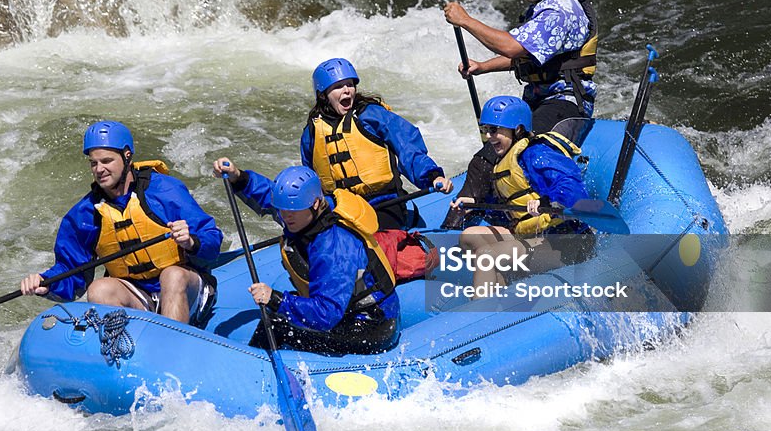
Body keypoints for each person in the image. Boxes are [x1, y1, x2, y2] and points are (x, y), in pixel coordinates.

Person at [20, 120, 223, 325]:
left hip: (188, 289)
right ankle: (126, 349)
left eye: (107, 161)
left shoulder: (165, 190)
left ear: (127, 157)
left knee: (172, 275)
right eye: (94, 163)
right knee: (99, 289)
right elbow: (71, 269)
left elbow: (212, 239)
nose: (99, 169)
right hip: (138, 296)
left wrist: (191, 242)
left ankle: (172, 348)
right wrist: (47, 283)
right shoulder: (85, 213)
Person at [213, 159, 400, 355]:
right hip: (345, 310)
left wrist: (276, 299)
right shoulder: (302, 211)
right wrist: (238, 177)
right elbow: (269, 196)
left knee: (277, 325)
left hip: (370, 325)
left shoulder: (334, 248)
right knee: (280, 312)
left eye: (292, 211)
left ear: (316, 204)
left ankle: (248, 375)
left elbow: (327, 313)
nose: (285, 217)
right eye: (283, 210)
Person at [301, 57, 451, 280]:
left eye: (350, 85)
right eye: (338, 87)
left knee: (377, 250)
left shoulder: (370, 115)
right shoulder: (312, 132)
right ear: (323, 94)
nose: (346, 91)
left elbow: (407, 145)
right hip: (343, 209)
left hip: (385, 202)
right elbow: (310, 178)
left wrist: (432, 176)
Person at [443, 0, 599, 135]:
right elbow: (525, 54)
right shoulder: (541, 8)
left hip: (565, 102)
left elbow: (512, 47)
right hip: (539, 100)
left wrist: (466, 20)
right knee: (491, 154)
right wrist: (483, 67)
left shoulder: (560, 11)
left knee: (523, 150)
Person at [441, 96, 593, 290]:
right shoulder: (503, 160)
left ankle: (483, 309)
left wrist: (547, 202)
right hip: (533, 235)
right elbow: (512, 206)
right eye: (485, 130)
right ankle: (499, 288)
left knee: (487, 255)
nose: (488, 137)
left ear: (518, 129)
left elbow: (574, 190)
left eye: (494, 130)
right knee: (470, 236)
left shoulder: (537, 154)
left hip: (564, 242)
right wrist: (474, 204)